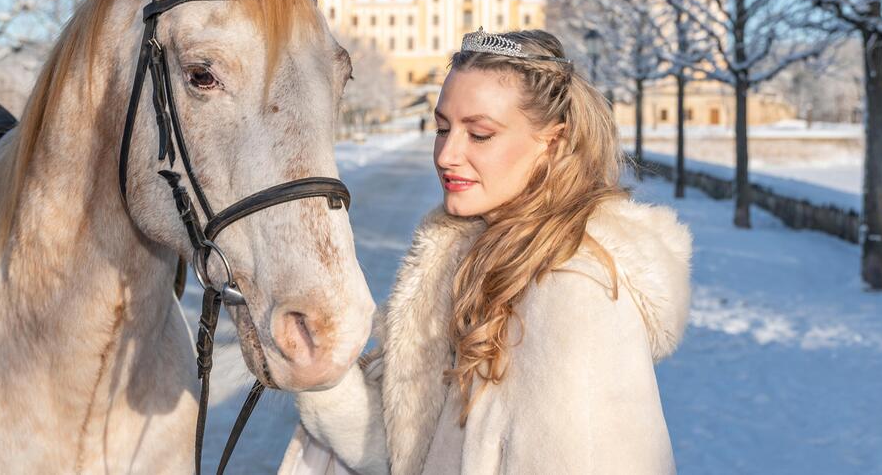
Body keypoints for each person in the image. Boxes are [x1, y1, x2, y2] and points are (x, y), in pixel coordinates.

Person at [279, 30, 692, 475]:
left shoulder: (575, 291)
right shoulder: (471, 256)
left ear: (553, 143)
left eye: (479, 134)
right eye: (442, 128)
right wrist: (324, 378)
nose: (446, 154)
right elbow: (416, 454)